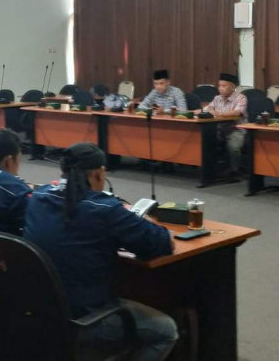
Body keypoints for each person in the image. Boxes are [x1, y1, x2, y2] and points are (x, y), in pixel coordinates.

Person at [23, 143, 177, 361]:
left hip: (41, 309)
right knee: (165, 331)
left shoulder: (38, 197)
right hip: (87, 317)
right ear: (98, 173)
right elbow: (161, 244)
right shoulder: (105, 209)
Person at [199, 73, 247, 178]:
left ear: (233, 87)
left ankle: (235, 170)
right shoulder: (217, 98)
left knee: (233, 146)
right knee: (204, 139)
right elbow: (207, 109)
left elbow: (237, 112)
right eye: (219, 85)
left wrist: (218, 113)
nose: (220, 88)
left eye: (224, 86)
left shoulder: (241, 98)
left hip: (236, 129)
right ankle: (210, 170)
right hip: (219, 129)